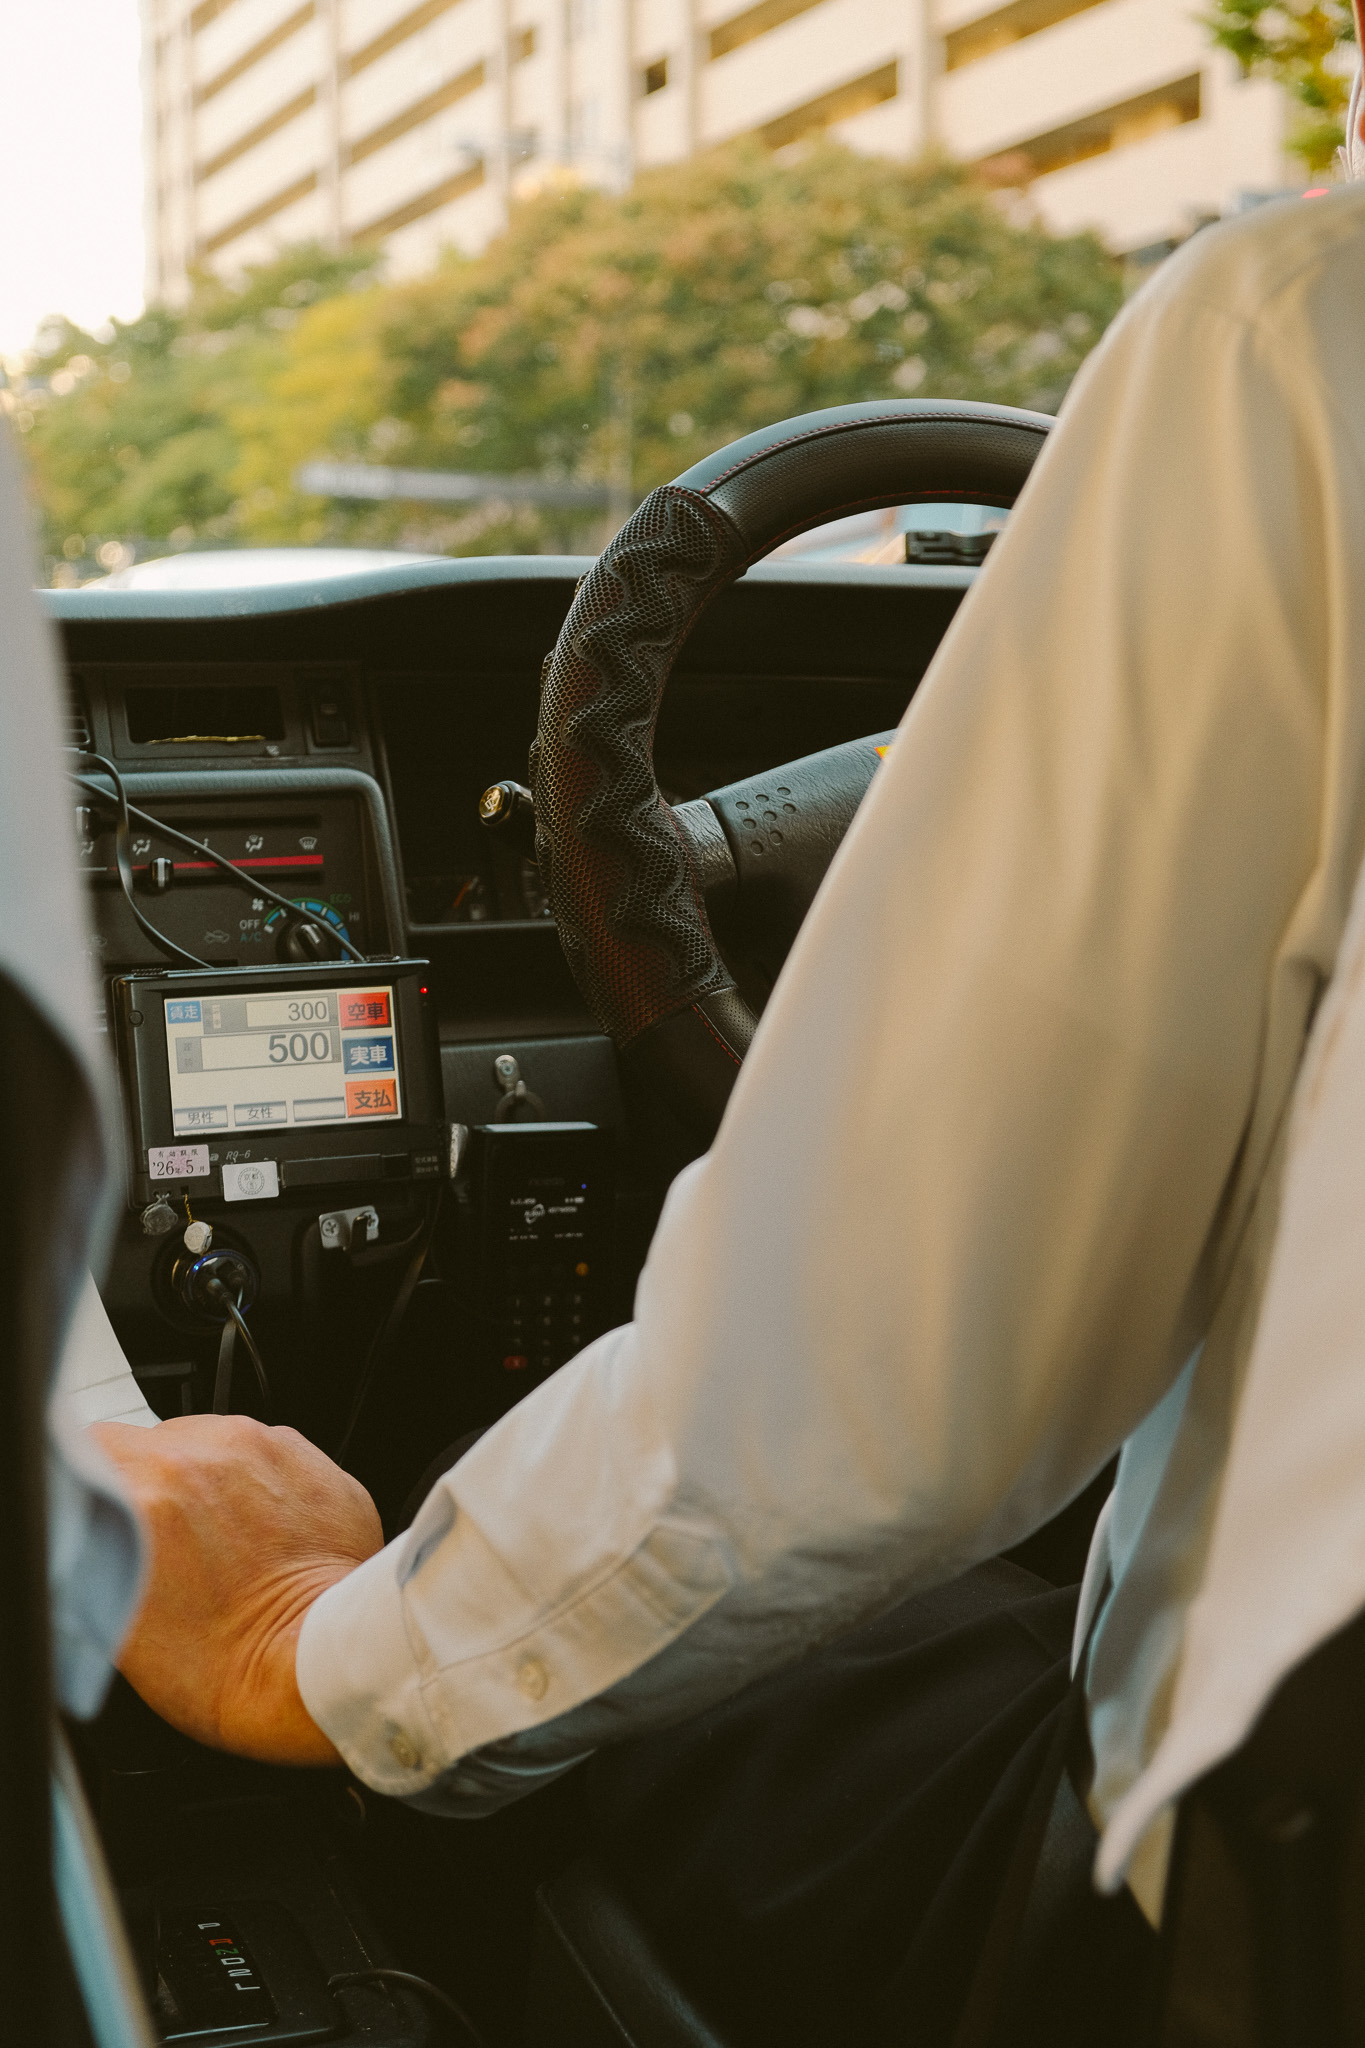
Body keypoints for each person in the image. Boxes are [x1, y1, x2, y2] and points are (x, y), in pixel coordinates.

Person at [93, 55, 1365, 2043]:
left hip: (1259, 1905)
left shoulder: (1292, 338)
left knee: (606, 1692)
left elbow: (876, 1375)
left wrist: (321, 1640)